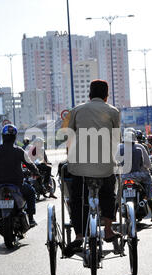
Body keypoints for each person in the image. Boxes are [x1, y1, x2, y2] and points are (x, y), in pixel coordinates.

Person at [63, 79, 121, 258]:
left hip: (79, 167)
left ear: (89, 94)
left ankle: (79, 235)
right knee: (109, 192)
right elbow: (115, 140)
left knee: (78, 198)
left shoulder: (76, 110)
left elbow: (69, 137)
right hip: (104, 166)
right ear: (106, 95)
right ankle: (109, 229)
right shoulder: (113, 111)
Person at [0, 124, 40, 227]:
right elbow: (30, 164)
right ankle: (31, 218)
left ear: (3, 136)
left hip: (0, 185)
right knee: (31, 192)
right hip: (17, 185)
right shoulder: (19, 151)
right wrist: (36, 172)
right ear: (15, 137)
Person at [117, 130, 152, 223]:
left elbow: (115, 163)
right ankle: (150, 203)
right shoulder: (139, 147)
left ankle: (115, 206)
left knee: (117, 191)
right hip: (139, 176)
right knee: (148, 182)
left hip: (124, 177)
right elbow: (148, 164)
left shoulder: (119, 147)